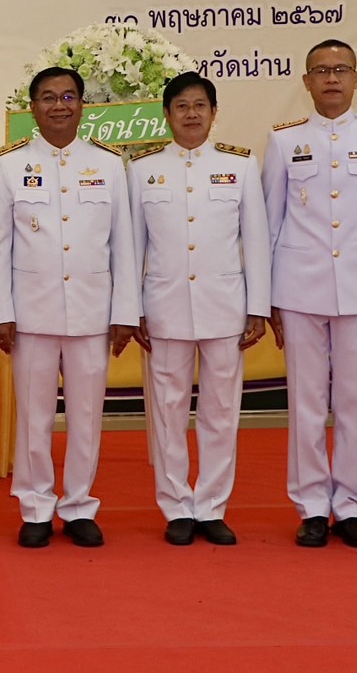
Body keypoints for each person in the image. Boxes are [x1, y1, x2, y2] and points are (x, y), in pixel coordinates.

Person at [262, 39, 357, 549]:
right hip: (298, 290)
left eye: (341, 69)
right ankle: (311, 506)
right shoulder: (284, 141)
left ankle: (349, 505)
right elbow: (269, 222)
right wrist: (264, 298)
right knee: (306, 403)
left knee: (352, 402)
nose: (331, 78)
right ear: (305, 81)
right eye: (321, 71)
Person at [0, 66, 139, 548]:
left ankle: (78, 506)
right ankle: (35, 506)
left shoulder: (110, 165)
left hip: (93, 310)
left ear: (82, 105)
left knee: (87, 415)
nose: (58, 105)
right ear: (32, 108)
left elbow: (125, 245)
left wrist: (124, 314)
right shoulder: (9, 165)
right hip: (31, 312)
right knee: (33, 415)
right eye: (48, 97)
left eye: (68, 96)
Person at [127, 72, 269, 547]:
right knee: (167, 410)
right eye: (181, 106)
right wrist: (132, 308)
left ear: (214, 112)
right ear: (166, 114)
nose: (191, 114)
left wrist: (258, 307)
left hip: (225, 306)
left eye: (200, 105)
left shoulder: (241, 166)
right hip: (164, 306)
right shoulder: (143, 168)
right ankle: (176, 505)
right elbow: (131, 246)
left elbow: (257, 241)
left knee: (221, 409)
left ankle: (211, 505)